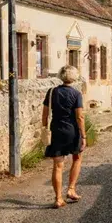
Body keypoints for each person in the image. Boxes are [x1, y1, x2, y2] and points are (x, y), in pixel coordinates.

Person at [42, 65, 87, 208]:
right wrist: (84, 136)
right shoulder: (76, 94)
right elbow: (79, 117)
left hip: (56, 130)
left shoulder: (51, 92)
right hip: (72, 130)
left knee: (58, 165)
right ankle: (71, 189)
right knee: (77, 157)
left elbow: (45, 114)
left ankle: (58, 198)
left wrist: (45, 128)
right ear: (74, 77)